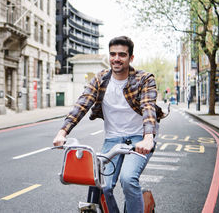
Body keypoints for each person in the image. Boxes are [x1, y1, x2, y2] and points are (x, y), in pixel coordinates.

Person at [53, 36, 168, 213]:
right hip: (113, 139)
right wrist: (62, 132)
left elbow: (148, 108)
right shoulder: (100, 80)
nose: (116, 58)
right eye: (113, 54)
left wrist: (148, 138)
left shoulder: (144, 79)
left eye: (122, 54)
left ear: (131, 58)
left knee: (128, 179)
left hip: (138, 139)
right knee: (102, 185)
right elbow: (82, 104)